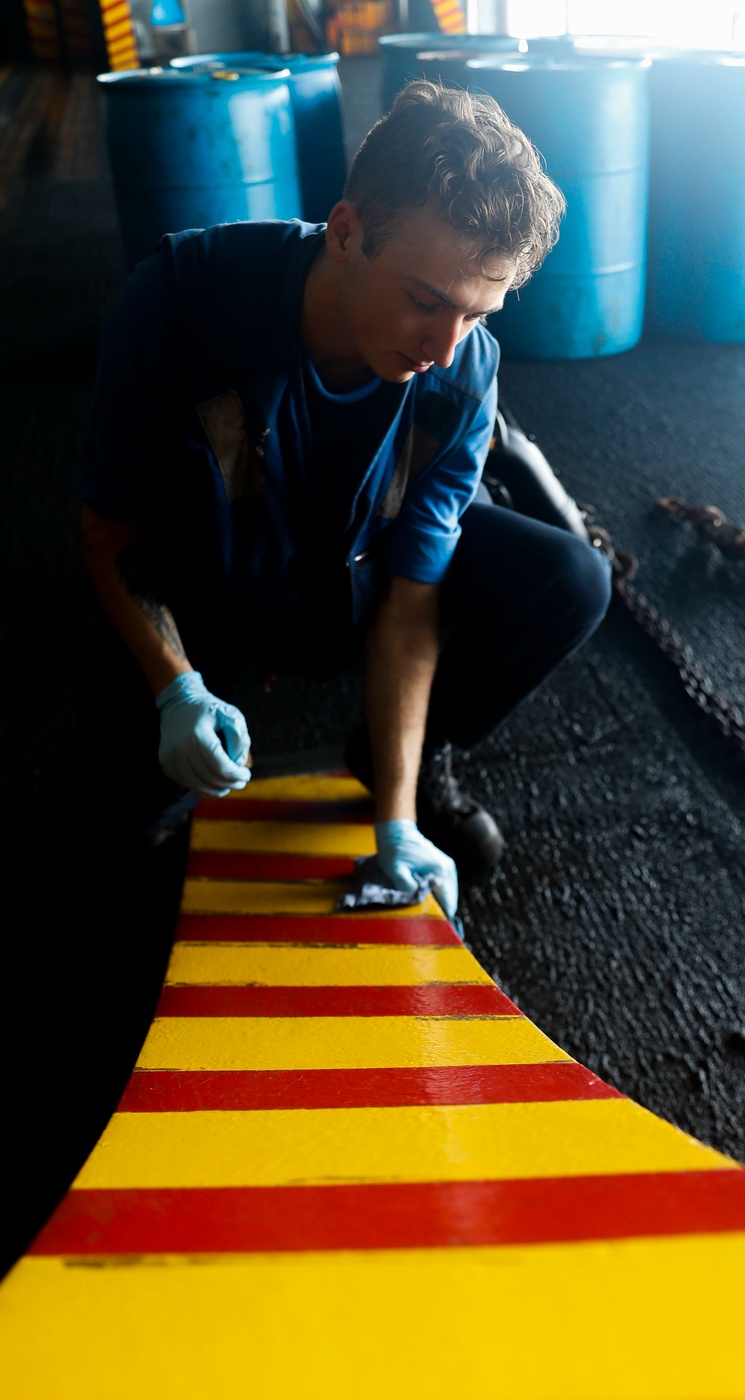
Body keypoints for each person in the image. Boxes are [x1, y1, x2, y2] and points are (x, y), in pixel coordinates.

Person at [80, 79, 611, 920]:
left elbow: (412, 597)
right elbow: (113, 529)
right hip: (204, 584)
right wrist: (175, 686)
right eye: (426, 301)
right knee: (117, 854)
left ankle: (399, 752)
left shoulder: (465, 370)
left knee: (572, 578)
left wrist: (393, 820)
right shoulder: (177, 300)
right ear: (346, 232)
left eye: (477, 314)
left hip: (349, 586)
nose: (445, 348)